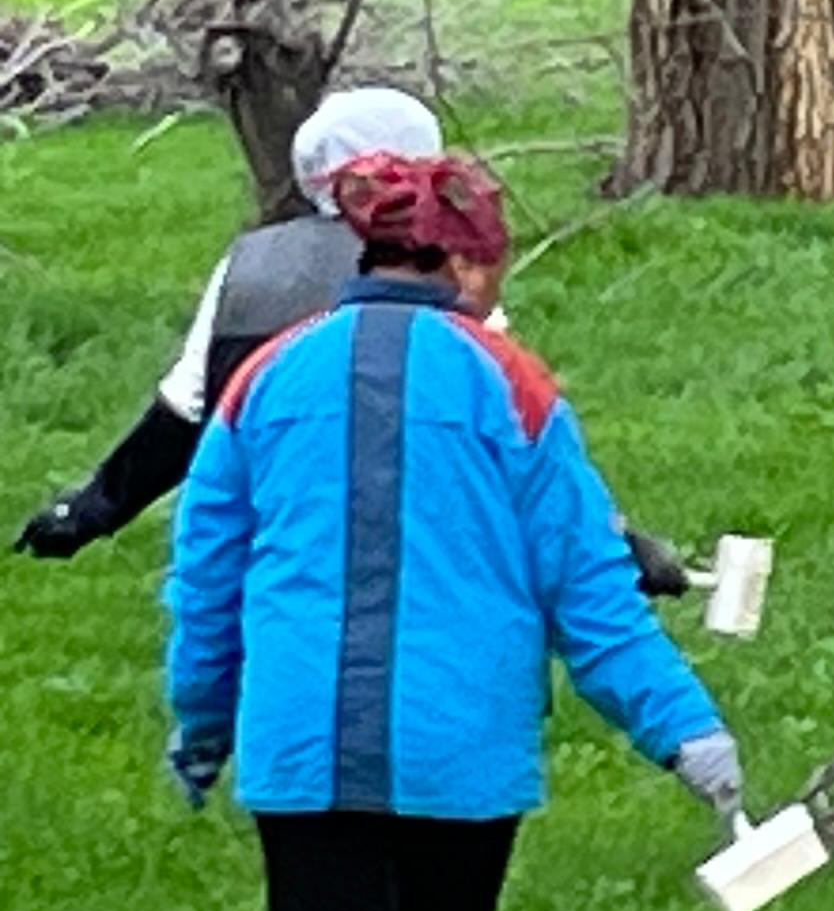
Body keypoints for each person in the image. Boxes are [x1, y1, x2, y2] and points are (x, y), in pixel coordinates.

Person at [163, 152, 743, 911]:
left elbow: (208, 575)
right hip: (458, 749)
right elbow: (589, 588)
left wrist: (200, 717)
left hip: (300, 743)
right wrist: (685, 730)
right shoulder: (513, 388)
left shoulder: (268, 378)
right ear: (467, 264)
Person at [18, 86, 693, 597]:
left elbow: (182, 416)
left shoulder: (250, 262)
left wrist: (87, 512)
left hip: (274, 534)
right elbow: (516, 426)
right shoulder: (433, 263)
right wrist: (619, 548)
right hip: (416, 543)